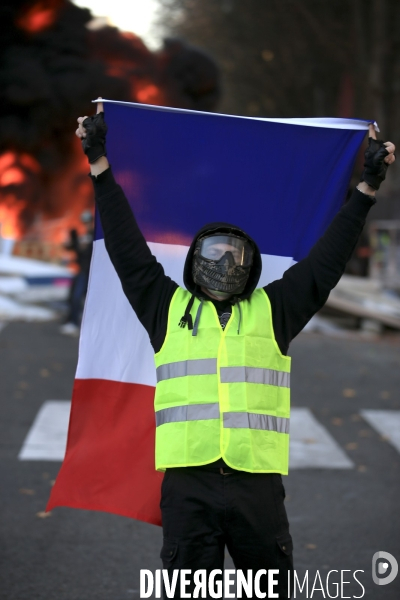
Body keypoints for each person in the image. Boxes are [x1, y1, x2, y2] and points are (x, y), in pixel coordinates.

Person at [76, 102, 395, 599]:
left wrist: (366, 189)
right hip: (188, 488)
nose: (225, 264)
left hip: (257, 489)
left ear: (252, 267)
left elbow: (326, 262)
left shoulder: (275, 310)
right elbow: (127, 248)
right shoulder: (167, 308)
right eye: (214, 254)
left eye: (236, 256)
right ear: (194, 261)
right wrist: (99, 164)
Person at [60, 210, 94, 336]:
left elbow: (85, 252)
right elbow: (77, 250)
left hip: (89, 272)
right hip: (84, 270)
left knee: (79, 297)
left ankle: (74, 322)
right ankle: (73, 321)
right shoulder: (85, 236)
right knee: (75, 297)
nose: (86, 224)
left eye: (88, 222)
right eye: (85, 222)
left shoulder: (95, 236)